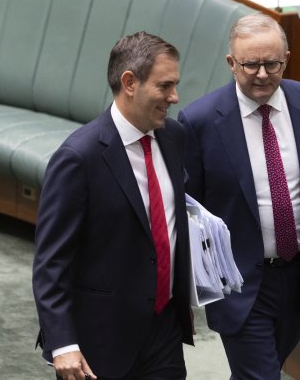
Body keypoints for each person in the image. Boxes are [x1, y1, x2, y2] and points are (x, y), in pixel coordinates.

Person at [178, 13, 300, 379]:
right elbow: (188, 210)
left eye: (272, 63)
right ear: (231, 64)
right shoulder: (200, 121)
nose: (262, 74)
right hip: (238, 282)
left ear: (287, 59)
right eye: (251, 64)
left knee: (264, 369)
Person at [32, 31, 193, 380]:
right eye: (165, 86)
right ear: (130, 82)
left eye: (175, 85)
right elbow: (51, 262)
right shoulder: (79, 157)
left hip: (163, 331)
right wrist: (62, 344)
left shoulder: (175, 138)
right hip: (100, 342)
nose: (175, 97)